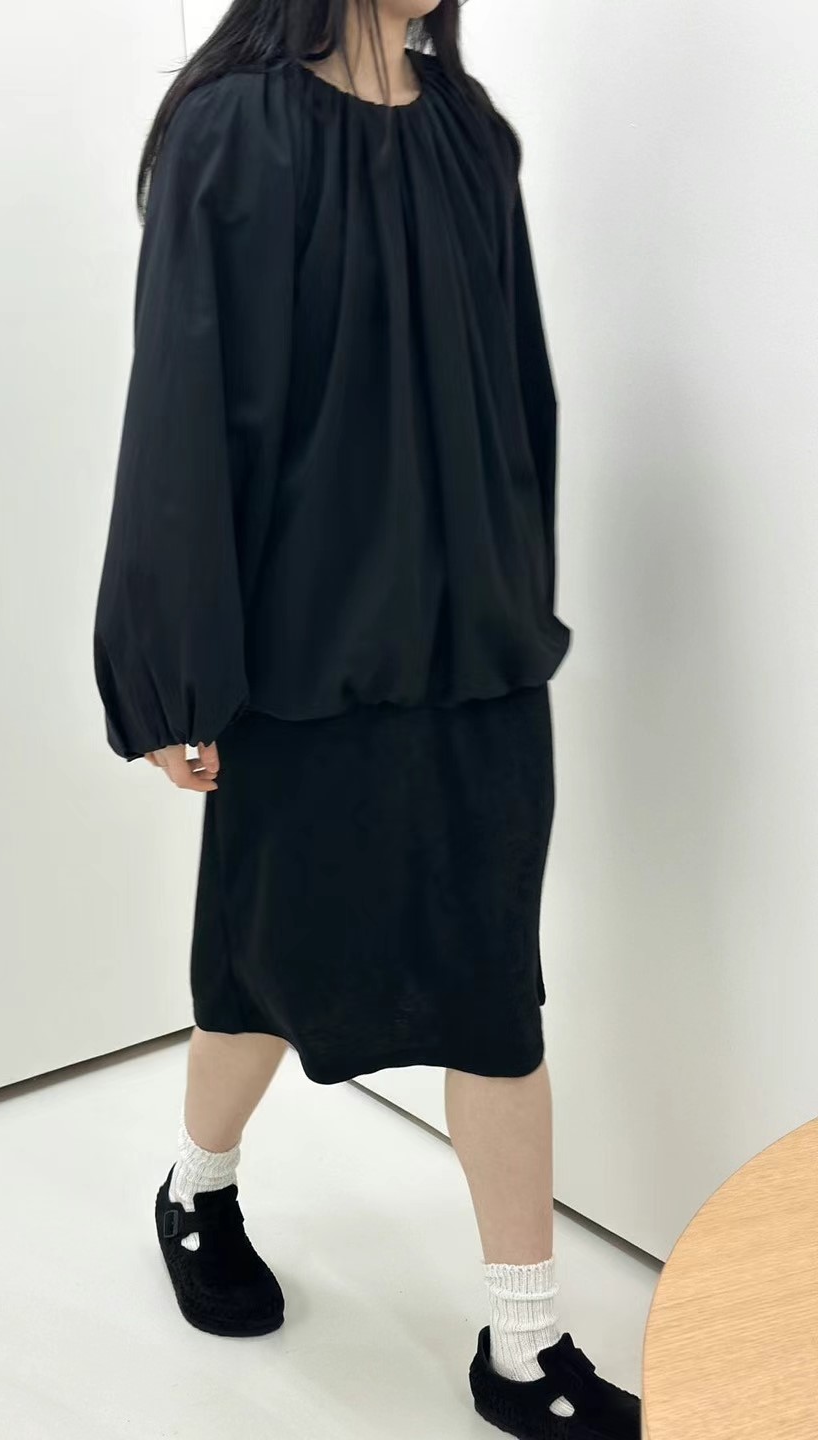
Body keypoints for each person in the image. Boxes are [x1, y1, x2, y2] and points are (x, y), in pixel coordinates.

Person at [93, 2, 640, 1436]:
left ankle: (524, 1343)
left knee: (492, 986)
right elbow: (182, 412)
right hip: (302, 656)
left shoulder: (470, 135)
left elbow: (518, 391)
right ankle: (197, 1188)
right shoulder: (233, 133)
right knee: (263, 972)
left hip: (474, 651)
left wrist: (513, 592)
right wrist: (172, 667)